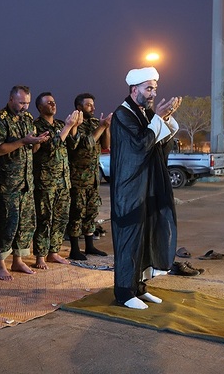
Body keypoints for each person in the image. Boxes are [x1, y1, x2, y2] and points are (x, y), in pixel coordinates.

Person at [110, 67, 181, 309]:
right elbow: (139, 146)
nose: (153, 94)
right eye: (149, 89)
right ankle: (124, 293)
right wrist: (158, 119)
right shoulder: (123, 114)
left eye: (154, 89)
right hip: (129, 190)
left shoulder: (144, 112)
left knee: (145, 236)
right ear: (134, 89)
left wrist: (165, 118)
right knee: (129, 239)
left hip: (145, 187)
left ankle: (139, 288)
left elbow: (157, 143)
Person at [0, 85, 49, 280]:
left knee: (25, 224)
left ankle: (18, 260)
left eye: (27, 103)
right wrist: (23, 141)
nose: (25, 107)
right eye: (22, 102)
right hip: (7, 183)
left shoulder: (28, 118)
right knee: (7, 224)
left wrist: (37, 141)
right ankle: (0, 264)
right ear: (11, 99)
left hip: (26, 182)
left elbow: (32, 149)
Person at [32, 92, 82, 269]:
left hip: (63, 180)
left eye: (53, 102)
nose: (53, 105)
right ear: (40, 107)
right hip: (45, 181)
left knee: (61, 218)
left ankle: (53, 252)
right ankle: (40, 255)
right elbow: (52, 146)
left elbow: (73, 145)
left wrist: (74, 127)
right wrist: (68, 127)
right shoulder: (37, 126)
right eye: (49, 103)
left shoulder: (60, 124)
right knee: (44, 219)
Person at [66, 93, 111, 260]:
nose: (93, 108)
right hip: (78, 177)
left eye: (93, 104)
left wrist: (106, 127)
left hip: (93, 177)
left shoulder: (95, 123)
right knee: (77, 212)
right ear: (79, 107)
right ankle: (74, 249)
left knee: (91, 211)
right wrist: (101, 127)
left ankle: (90, 246)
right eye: (88, 105)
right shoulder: (75, 124)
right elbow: (85, 145)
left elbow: (106, 145)